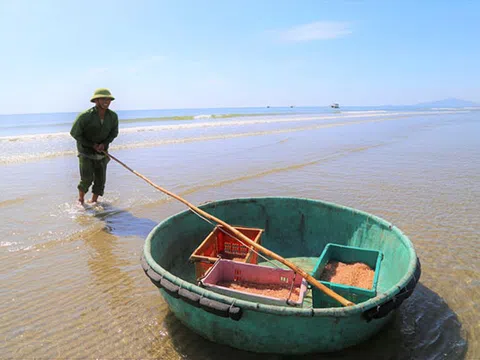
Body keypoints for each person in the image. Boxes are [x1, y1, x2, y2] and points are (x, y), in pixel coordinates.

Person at [70, 88, 119, 205]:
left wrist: (104, 144)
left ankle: (94, 201)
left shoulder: (113, 116)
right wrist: (92, 145)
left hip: (102, 152)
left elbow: (114, 133)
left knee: (100, 180)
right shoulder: (85, 116)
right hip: (85, 152)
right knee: (86, 179)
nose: (106, 101)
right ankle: (81, 200)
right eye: (103, 99)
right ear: (96, 100)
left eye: (108, 99)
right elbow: (75, 133)